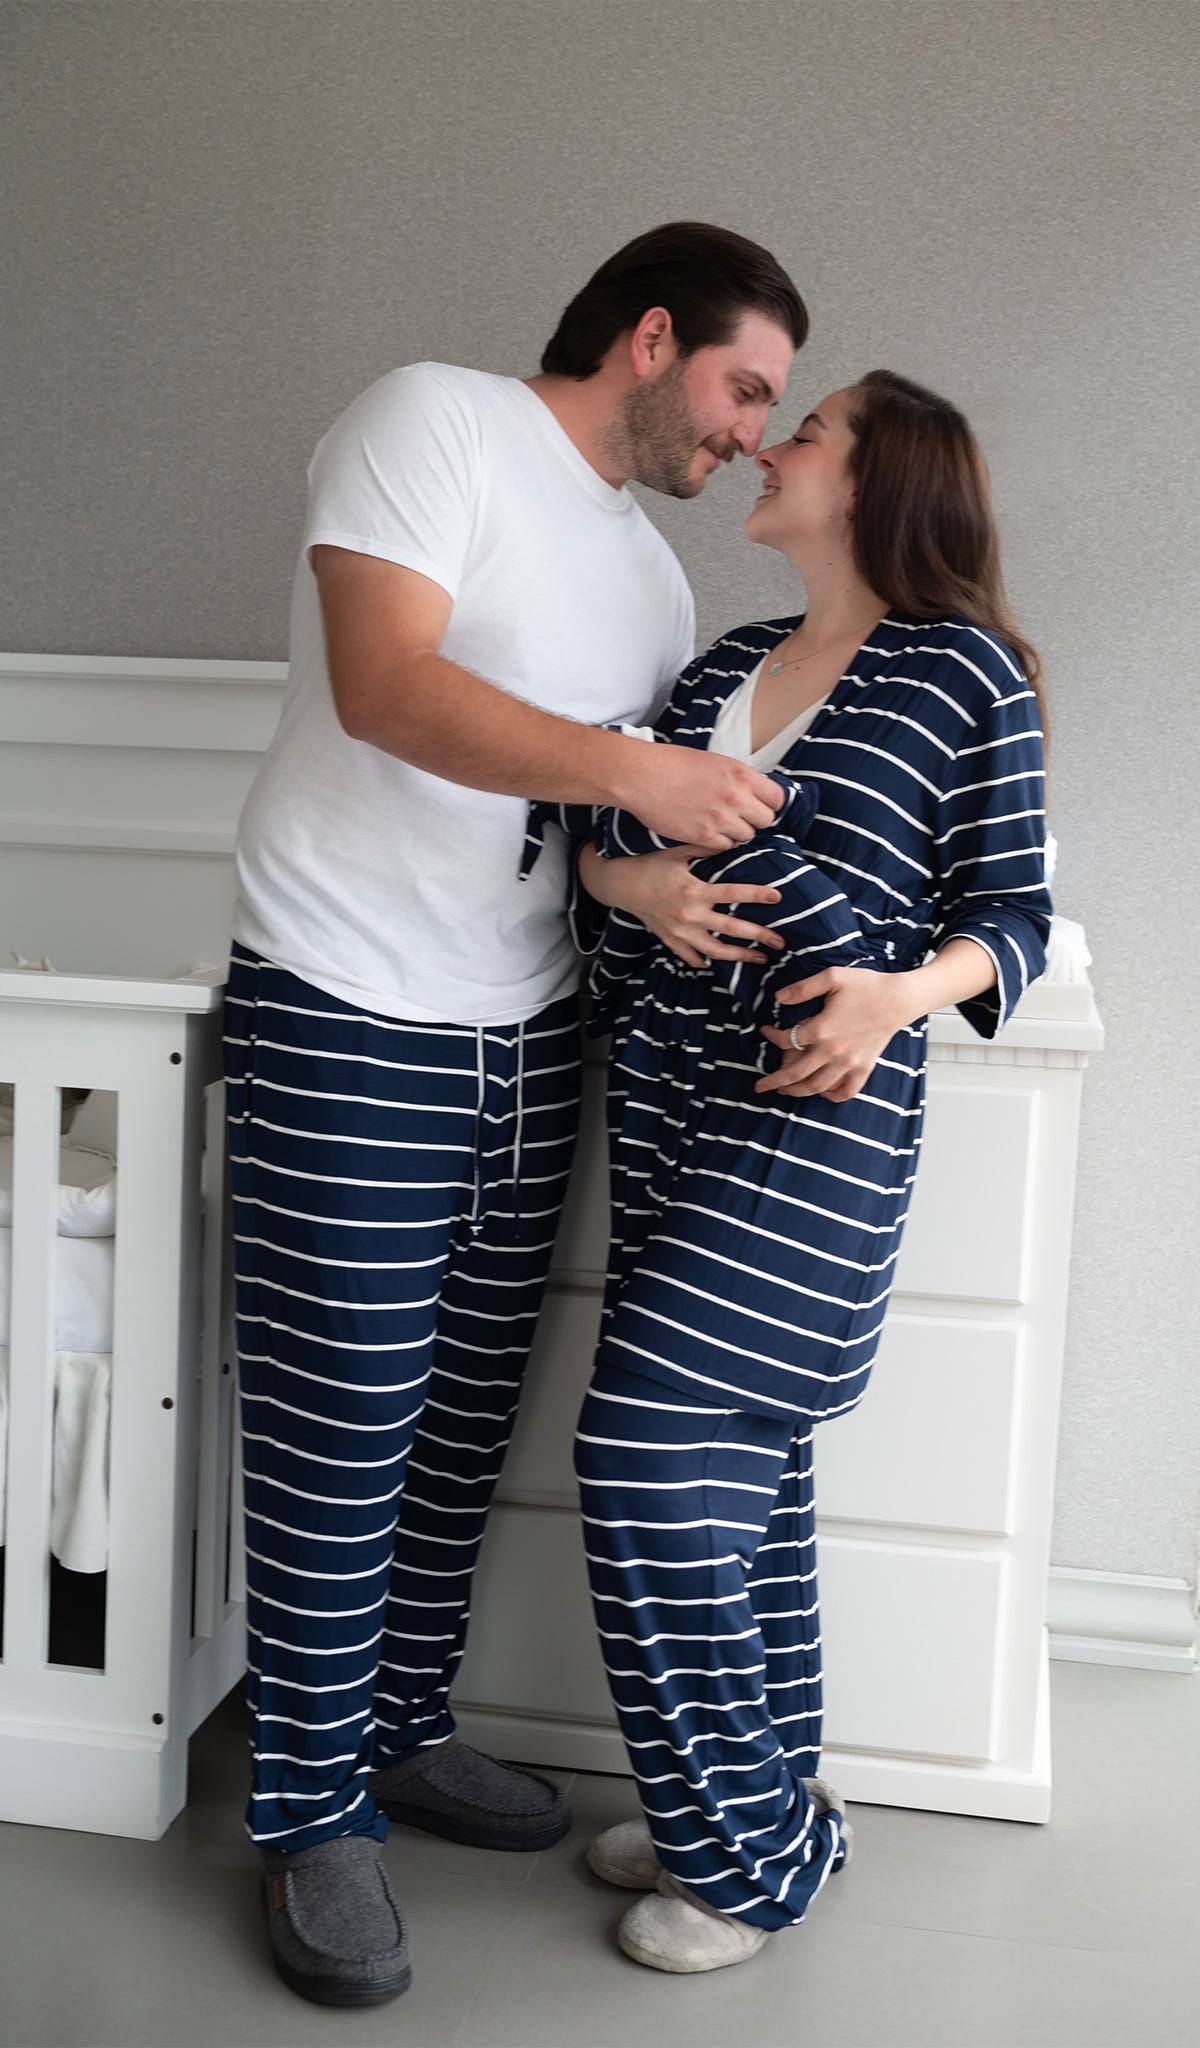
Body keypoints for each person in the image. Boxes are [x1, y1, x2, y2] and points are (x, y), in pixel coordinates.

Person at [223, 222, 808, 2007]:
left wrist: (637, 875)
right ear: (650, 339)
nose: (750, 439)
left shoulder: (653, 587)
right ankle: (313, 1816)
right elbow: (389, 686)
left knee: (461, 1425)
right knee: (340, 1432)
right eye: (741, 389)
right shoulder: (434, 423)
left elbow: (580, 837)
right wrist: (632, 767)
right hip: (344, 1005)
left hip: (528, 1029)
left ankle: (399, 1726)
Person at [537, 368, 1052, 1974]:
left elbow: (1015, 913)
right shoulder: (727, 665)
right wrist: (644, 898)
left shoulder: (967, 675)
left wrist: (901, 993)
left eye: (807, 430)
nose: (770, 443)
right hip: (677, 1099)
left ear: (886, 476)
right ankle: (753, 1803)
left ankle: (740, 1865)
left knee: (640, 1452)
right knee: (742, 1480)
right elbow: (590, 841)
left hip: (819, 1123)